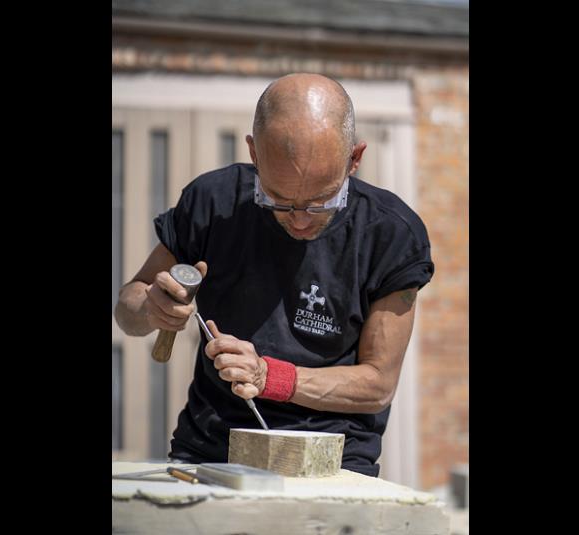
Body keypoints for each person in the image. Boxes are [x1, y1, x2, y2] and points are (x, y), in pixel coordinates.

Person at [114, 73, 434, 477]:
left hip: (329, 463)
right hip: (209, 450)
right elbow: (127, 307)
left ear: (355, 158)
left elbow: (377, 384)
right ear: (254, 152)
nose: (300, 220)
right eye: (278, 200)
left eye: (322, 201)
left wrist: (270, 377)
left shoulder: (391, 234)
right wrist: (151, 308)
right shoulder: (214, 203)